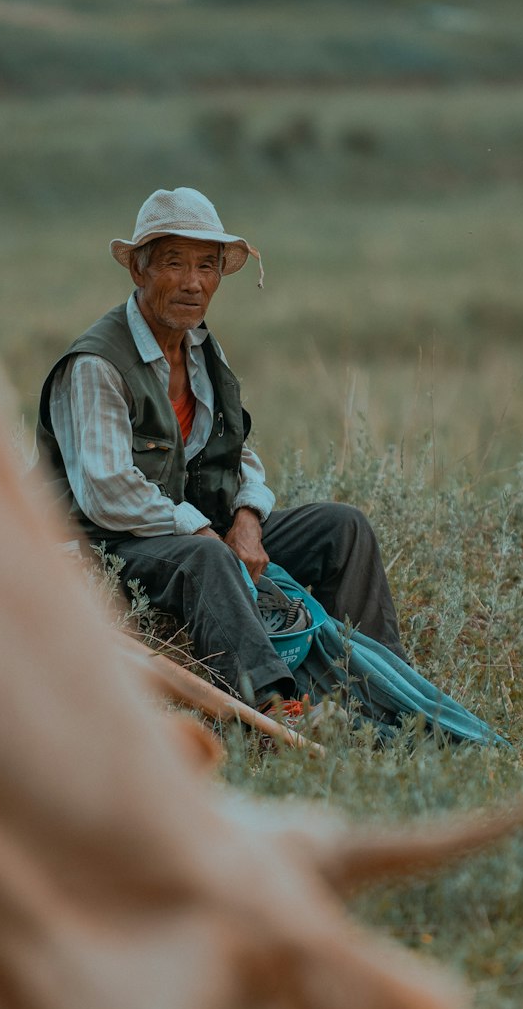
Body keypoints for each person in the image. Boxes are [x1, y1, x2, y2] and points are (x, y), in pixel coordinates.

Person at [35, 187, 407, 716]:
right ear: (139, 271)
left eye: (207, 266)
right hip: (107, 547)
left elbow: (240, 455)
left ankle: (381, 689)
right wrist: (203, 529)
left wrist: (249, 518)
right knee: (210, 557)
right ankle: (273, 709)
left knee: (343, 529)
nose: (193, 283)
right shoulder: (96, 364)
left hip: (192, 533)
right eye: (174, 263)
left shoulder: (204, 350)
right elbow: (104, 493)